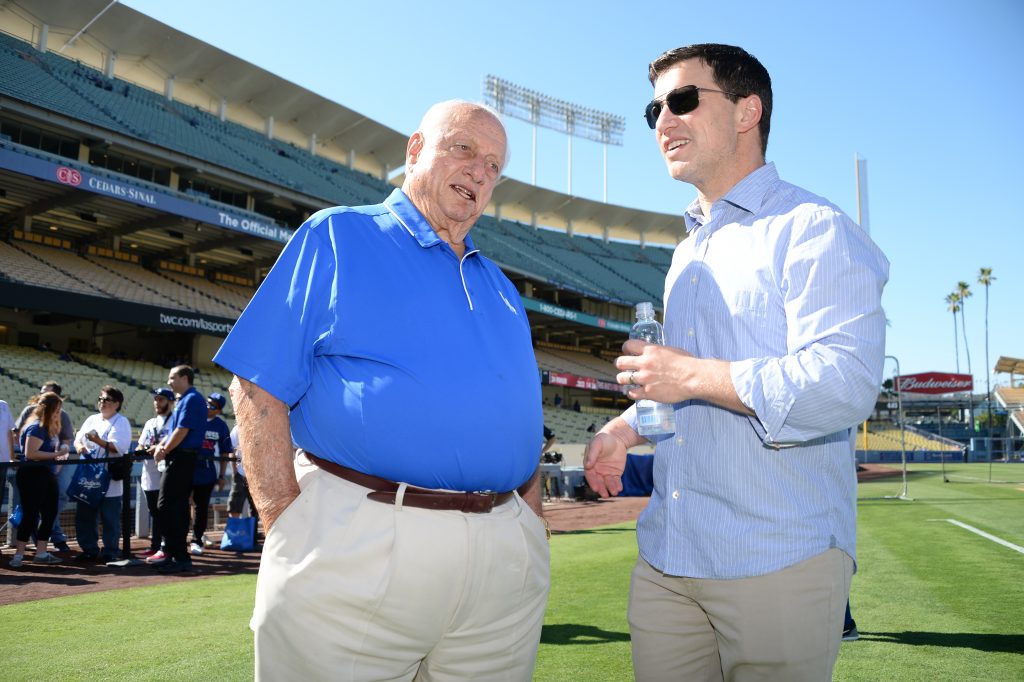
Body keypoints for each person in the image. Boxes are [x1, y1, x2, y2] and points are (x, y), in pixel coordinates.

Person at [583, 44, 888, 681]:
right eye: (654, 109)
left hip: (776, 558)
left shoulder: (813, 227)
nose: (663, 121)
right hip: (669, 555)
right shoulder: (686, 251)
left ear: (748, 111)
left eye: (684, 100)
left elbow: (846, 382)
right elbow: (679, 388)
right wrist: (623, 428)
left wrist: (688, 375)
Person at [215, 100, 549, 681]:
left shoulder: (500, 286)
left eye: (494, 165)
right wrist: (285, 524)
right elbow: (256, 383)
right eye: (464, 149)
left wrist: (532, 529)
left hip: (502, 556)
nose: (478, 171)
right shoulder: (339, 235)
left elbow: (519, 417)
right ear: (415, 150)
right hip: (363, 535)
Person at [151, 365, 206, 574]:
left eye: (172, 377)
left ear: (185, 378)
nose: (169, 382)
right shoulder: (184, 399)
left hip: (183, 457)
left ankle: (179, 556)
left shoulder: (191, 399)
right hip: (180, 457)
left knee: (166, 505)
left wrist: (163, 449)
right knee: (176, 507)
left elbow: (182, 430)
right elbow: (174, 430)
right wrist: (161, 446)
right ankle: (176, 555)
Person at [73, 385, 132, 562]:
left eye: (106, 400)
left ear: (116, 403)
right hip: (89, 476)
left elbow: (120, 448)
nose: (102, 403)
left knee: (110, 518)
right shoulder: (92, 419)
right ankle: (89, 549)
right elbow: (78, 438)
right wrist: (80, 447)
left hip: (108, 478)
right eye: (100, 399)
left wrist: (97, 440)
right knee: (84, 515)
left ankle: (111, 551)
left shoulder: (121, 421)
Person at [14, 382, 75, 554]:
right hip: (33, 474)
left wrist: (60, 451)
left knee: (48, 514)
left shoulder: (50, 426)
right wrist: (56, 455)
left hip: (46, 473)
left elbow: (53, 447)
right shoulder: (36, 426)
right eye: (56, 411)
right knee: (30, 514)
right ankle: (19, 554)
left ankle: (41, 552)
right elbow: (31, 453)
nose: (58, 415)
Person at [189, 392, 232, 556]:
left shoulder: (221, 426)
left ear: (219, 410)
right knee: (183, 504)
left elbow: (225, 454)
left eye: (213, 406)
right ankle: (182, 538)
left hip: (207, 472)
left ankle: (196, 540)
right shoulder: (193, 418)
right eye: (208, 402)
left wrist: (221, 476)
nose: (208, 407)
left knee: (200, 507)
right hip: (187, 468)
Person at [137, 387, 174, 561]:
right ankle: (155, 546)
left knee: (165, 511)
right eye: (156, 399)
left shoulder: (175, 421)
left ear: (170, 401)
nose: (157, 403)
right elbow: (140, 446)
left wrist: (155, 449)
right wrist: (144, 449)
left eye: (161, 399)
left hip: (168, 474)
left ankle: (166, 547)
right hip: (149, 474)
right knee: (154, 511)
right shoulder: (150, 423)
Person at [226, 424, 257, 526]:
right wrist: (234, 472)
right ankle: (234, 533)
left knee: (256, 507)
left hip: (257, 475)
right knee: (234, 504)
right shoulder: (238, 428)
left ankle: (252, 535)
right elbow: (231, 450)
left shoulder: (263, 426)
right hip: (240, 472)